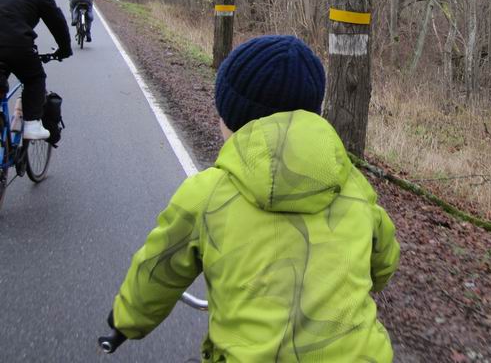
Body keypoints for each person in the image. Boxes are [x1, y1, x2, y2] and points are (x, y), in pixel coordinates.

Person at [101, 35, 401, 362]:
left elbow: (158, 270)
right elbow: (383, 262)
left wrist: (125, 322)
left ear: (234, 120)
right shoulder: (350, 183)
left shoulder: (207, 194)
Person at [0, 0, 72, 140]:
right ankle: (32, 124)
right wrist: (65, 49)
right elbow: (56, 22)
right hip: (18, 46)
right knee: (34, 78)